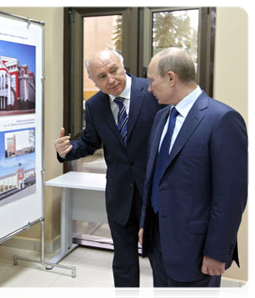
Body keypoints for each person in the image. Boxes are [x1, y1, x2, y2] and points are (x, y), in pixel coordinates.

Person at [139, 47, 250, 298]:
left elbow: (231, 196)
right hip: (159, 241)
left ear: (171, 77)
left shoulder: (222, 120)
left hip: (197, 250)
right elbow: (154, 177)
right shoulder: (161, 118)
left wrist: (218, 251)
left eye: (151, 80)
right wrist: (147, 223)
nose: (149, 88)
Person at [54, 47, 162, 298]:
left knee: (161, 262)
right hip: (119, 196)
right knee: (124, 262)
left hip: (155, 195)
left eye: (114, 70)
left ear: (122, 65)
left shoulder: (153, 91)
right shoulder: (94, 106)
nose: (111, 80)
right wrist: (67, 150)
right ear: (93, 80)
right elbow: (90, 143)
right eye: (101, 76)